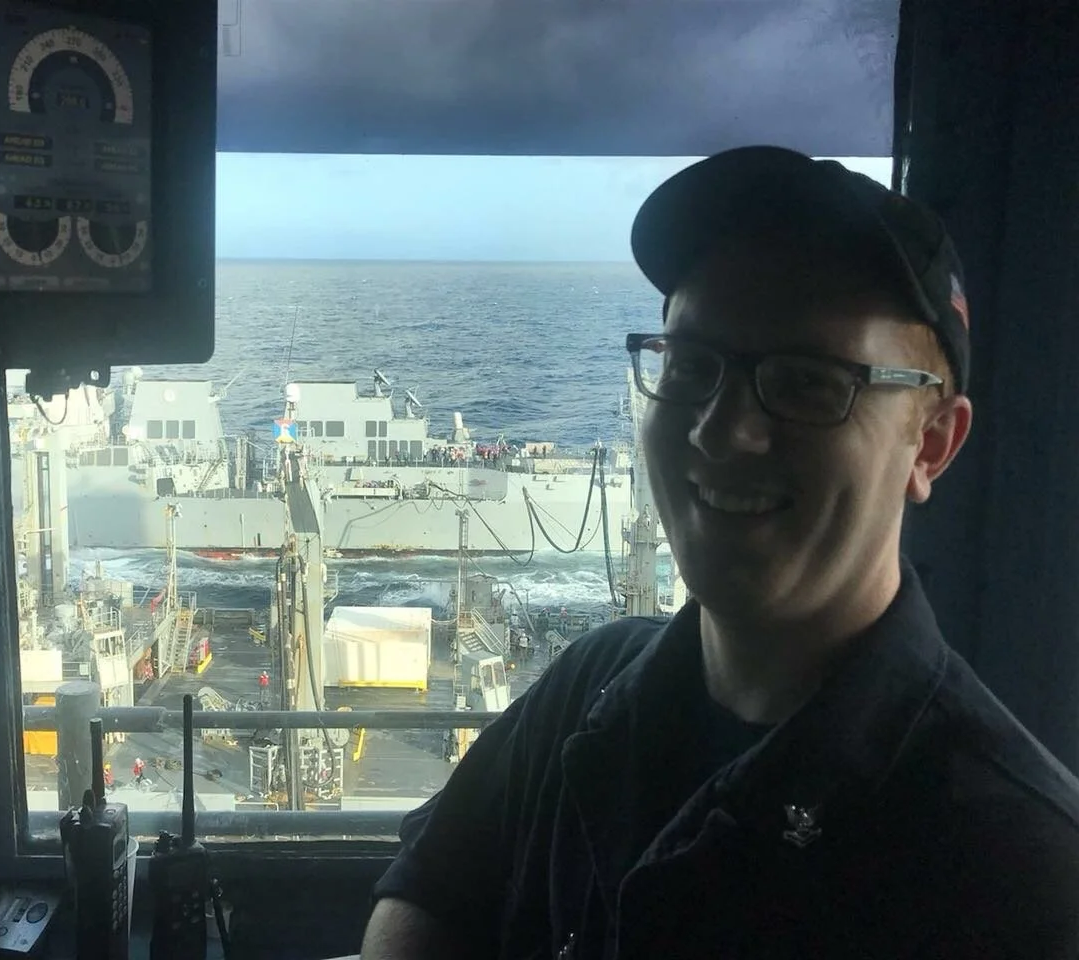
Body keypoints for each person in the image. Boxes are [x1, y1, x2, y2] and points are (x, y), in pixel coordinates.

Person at [361, 147, 1079, 959]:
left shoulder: (1026, 876)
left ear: (932, 445)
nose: (721, 430)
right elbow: (431, 889)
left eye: (809, 381)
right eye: (693, 366)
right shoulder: (586, 689)